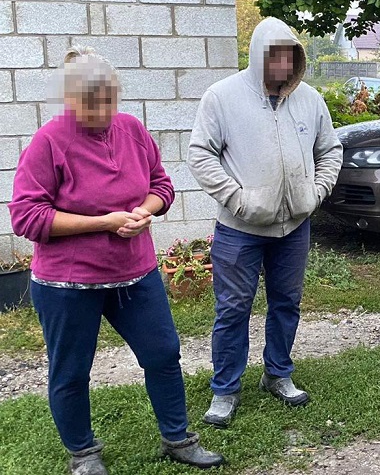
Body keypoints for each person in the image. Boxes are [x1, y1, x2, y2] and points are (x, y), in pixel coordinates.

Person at [8, 47, 223, 475]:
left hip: (135, 274)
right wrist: (102, 221)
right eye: (92, 103)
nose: (103, 111)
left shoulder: (131, 129)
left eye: (109, 100)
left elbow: (162, 185)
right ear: (70, 100)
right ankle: (84, 454)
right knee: (71, 371)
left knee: (163, 353)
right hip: (67, 283)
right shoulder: (48, 142)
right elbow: (26, 216)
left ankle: (177, 438)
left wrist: (146, 209)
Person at [188, 18, 342, 428]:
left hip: (293, 228)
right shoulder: (222, 97)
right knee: (233, 308)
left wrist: (316, 192)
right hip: (239, 230)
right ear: (258, 56)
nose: (283, 64)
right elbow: (200, 155)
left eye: (290, 55)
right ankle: (224, 389)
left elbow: (331, 150)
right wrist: (238, 200)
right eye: (274, 55)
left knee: (286, 302)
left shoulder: (309, 99)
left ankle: (278, 373)